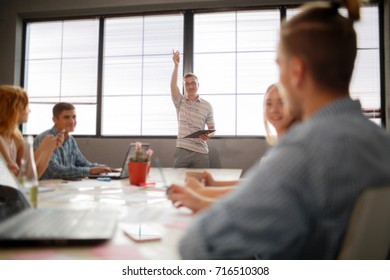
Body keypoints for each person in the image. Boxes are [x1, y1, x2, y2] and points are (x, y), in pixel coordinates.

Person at [177, 0, 390, 259]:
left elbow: (199, 244)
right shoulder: (381, 143)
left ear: (297, 71)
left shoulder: (304, 150)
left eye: (280, 66)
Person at [167, 84, 296, 212]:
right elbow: (255, 184)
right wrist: (213, 185)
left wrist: (200, 197)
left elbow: (258, 196)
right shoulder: (282, 144)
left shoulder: (293, 148)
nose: (274, 109)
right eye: (269, 103)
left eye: (281, 102)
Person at [34, 102, 115, 180]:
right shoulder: (47, 139)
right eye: (66, 117)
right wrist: (89, 171)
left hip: (64, 188)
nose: (72, 121)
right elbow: (54, 171)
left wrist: (106, 168)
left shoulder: (71, 140)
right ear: (55, 120)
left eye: (74, 117)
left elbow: (83, 163)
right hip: (46, 190)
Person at [0, 85, 64, 178]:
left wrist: (49, 149)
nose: (29, 110)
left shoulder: (16, 137)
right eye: (26, 106)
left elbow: (33, 176)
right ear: (14, 108)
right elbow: (19, 179)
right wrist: (42, 148)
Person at [170, 50, 215, 168]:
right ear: (184, 87)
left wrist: (208, 135)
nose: (190, 86)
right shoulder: (179, 101)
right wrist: (176, 65)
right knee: (178, 182)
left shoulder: (207, 105)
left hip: (201, 151)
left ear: (198, 85)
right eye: (187, 84)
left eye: (193, 83)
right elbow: (172, 86)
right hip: (182, 149)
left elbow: (212, 128)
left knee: (200, 184)